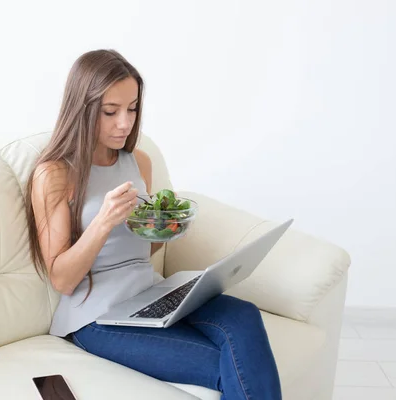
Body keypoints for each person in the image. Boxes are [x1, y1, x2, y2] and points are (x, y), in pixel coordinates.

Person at [24, 49, 281, 400]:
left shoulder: (138, 162)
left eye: (132, 109)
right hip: (96, 317)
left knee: (244, 315)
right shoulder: (55, 174)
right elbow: (62, 279)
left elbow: (143, 248)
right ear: (82, 109)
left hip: (150, 295)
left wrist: (166, 230)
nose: (125, 123)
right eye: (110, 112)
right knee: (230, 363)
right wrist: (102, 221)